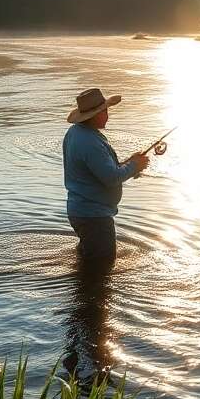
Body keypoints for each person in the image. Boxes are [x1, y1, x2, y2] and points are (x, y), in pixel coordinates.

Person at [63, 87, 149, 266]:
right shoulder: (91, 142)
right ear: (94, 115)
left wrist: (130, 163)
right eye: (104, 111)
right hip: (94, 217)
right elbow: (111, 178)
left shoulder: (76, 133)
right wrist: (134, 166)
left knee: (87, 262)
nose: (108, 115)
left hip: (81, 212)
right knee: (103, 266)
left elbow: (101, 170)